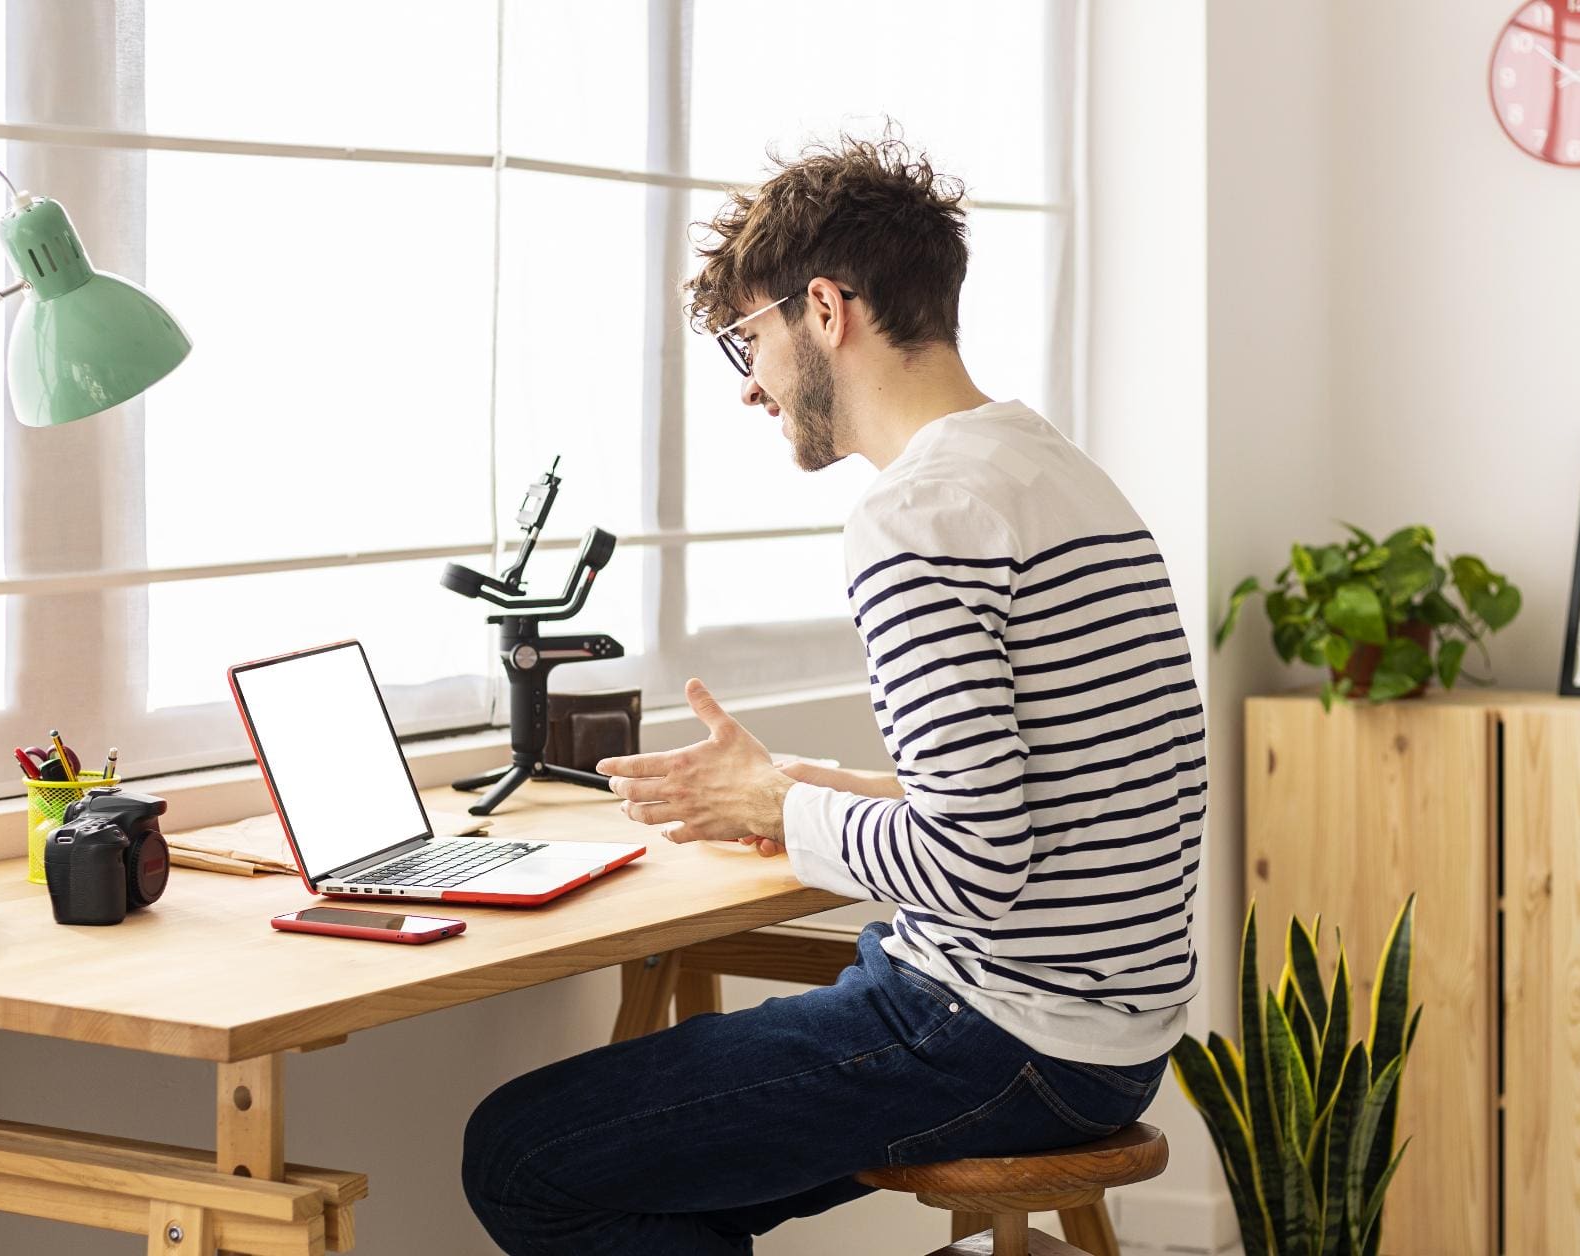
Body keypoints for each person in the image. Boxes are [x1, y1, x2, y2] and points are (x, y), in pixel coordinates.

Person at [461, 134, 1208, 1255]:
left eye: (745, 341)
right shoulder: (1057, 473)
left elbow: (974, 863)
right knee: (655, 1181)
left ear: (823, 308)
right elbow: (1051, 791)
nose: (750, 386)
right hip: (1112, 1031)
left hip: (999, 1031)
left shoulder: (918, 518)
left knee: (522, 1158)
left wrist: (777, 810)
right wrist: (804, 785)